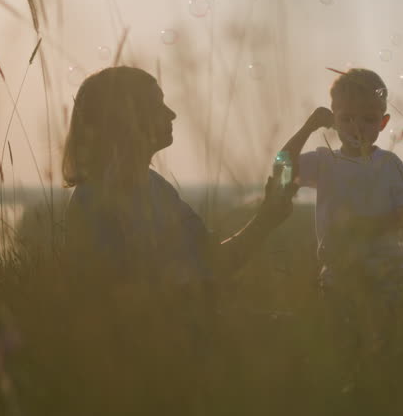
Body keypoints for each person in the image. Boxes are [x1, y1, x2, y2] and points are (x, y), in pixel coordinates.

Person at [62, 66, 296, 293]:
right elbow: (124, 299)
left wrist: (267, 217)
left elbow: (214, 262)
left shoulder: (159, 189)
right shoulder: (93, 201)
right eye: (157, 105)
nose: (171, 114)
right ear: (125, 119)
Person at [277, 69, 403, 346]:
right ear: (334, 121)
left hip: (385, 276)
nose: (358, 127)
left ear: (383, 122)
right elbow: (281, 170)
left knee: (384, 346)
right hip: (337, 277)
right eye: (347, 118)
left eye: (369, 119)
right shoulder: (324, 162)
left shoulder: (389, 163)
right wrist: (308, 127)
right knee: (342, 345)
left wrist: (369, 227)